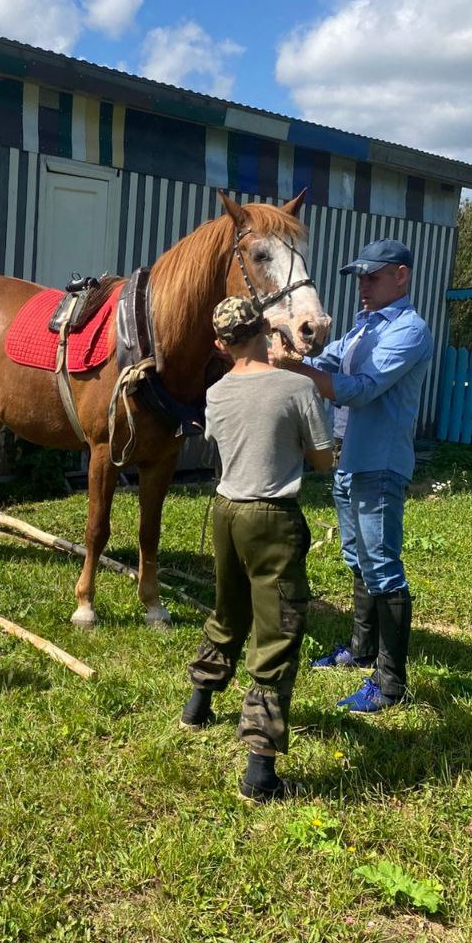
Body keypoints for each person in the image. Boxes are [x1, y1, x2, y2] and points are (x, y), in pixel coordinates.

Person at [180, 296, 334, 802]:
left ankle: (198, 704)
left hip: (226, 511)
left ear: (222, 346)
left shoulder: (217, 393)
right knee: (278, 631)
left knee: (229, 611)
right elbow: (322, 460)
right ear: (267, 330)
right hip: (272, 517)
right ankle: (260, 773)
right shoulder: (297, 387)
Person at [275, 238, 433, 715]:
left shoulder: (410, 330)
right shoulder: (363, 328)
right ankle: (360, 649)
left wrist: (298, 367)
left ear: (401, 275)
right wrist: (284, 345)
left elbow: (359, 391)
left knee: (382, 565)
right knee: (356, 558)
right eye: (360, 277)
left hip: (379, 463)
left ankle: (390, 683)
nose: (362, 286)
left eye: (372, 276)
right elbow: (324, 362)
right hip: (348, 460)